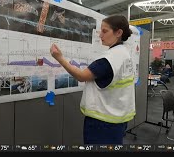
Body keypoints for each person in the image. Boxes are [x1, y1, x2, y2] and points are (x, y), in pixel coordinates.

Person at [50, 15, 135, 144]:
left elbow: (82, 76)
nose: (100, 35)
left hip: (103, 123)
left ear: (118, 33)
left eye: (105, 31)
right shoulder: (124, 53)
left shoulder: (108, 59)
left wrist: (59, 58)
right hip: (119, 119)